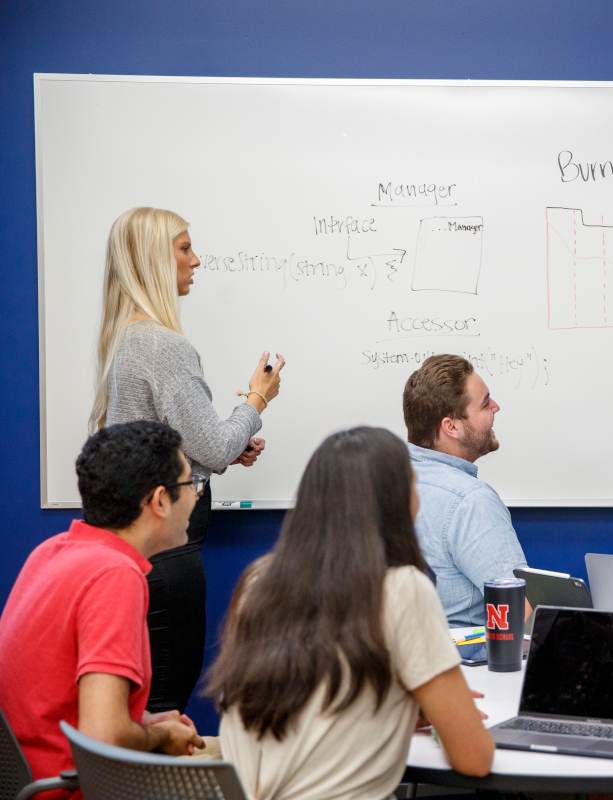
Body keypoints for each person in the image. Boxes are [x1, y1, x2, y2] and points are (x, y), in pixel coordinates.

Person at [208, 427, 494, 800]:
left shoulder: (259, 581)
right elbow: (475, 758)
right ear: (396, 502)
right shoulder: (403, 588)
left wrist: (397, 707)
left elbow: (312, 702)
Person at [91, 206, 285, 714]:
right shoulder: (163, 346)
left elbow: (188, 445)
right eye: (183, 248)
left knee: (144, 704)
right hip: (167, 549)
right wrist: (258, 400)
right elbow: (216, 448)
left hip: (139, 548)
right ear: (155, 260)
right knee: (164, 707)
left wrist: (215, 447)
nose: (195, 261)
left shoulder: (126, 340)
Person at [0, 421, 207, 795]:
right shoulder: (115, 576)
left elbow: (57, 703)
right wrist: (158, 735)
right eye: (191, 483)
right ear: (159, 500)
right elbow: (105, 737)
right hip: (72, 789)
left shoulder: (50, 553)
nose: (195, 496)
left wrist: (141, 720)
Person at [402, 355, 531, 627]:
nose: (496, 407)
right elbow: (521, 614)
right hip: (463, 664)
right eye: (485, 404)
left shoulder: (384, 482)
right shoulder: (470, 501)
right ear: (452, 427)